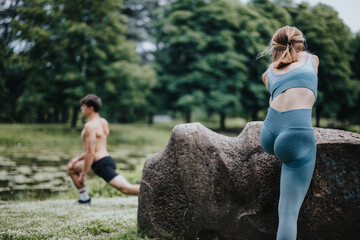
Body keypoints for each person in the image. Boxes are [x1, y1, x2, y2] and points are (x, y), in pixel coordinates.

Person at [258, 26, 319, 239]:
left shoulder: (268, 73)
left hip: (269, 131)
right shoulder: (312, 60)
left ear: (274, 46)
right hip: (295, 133)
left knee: (286, 211)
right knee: (288, 213)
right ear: (300, 42)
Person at [67, 94, 140, 204]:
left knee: (125, 188)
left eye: (83, 106)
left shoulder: (90, 126)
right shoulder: (103, 122)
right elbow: (94, 149)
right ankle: (84, 199)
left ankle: (156, 192)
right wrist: (77, 159)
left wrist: (83, 174)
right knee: (71, 167)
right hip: (103, 160)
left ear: (91, 108)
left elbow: (90, 152)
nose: (81, 108)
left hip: (100, 164)